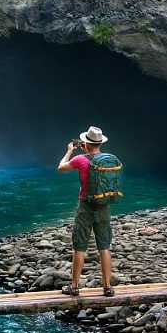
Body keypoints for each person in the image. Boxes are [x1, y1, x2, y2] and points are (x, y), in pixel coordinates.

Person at [56, 125, 115, 297]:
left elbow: (60, 168)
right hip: (104, 205)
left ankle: (74, 286)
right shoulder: (110, 158)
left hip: (86, 206)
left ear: (86, 143)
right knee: (104, 246)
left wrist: (69, 151)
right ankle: (108, 287)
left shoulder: (81, 159)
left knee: (79, 246)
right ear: (100, 143)